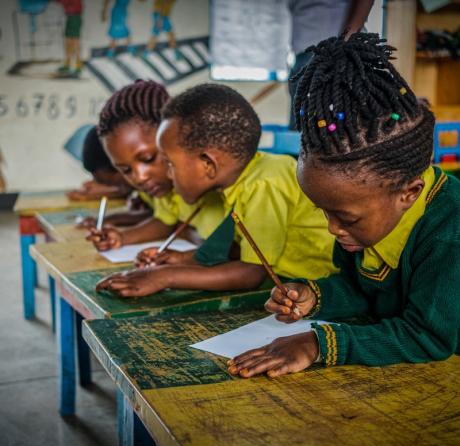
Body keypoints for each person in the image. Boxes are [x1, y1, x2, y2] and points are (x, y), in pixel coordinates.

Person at [227, 33, 460, 379]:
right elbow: (362, 291)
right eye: (324, 211)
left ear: (409, 193)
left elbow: (427, 337)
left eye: (345, 218)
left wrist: (318, 344)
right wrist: (313, 296)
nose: (333, 228)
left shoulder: (448, 233)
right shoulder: (367, 218)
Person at [96, 83, 336, 297]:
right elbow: (240, 248)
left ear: (209, 164)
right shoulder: (233, 184)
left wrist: (166, 276)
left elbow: (250, 273)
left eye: (170, 163)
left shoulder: (262, 183)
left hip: (323, 290)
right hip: (288, 287)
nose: (168, 174)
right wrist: (186, 259)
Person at [86, 80, 225, 251]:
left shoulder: (217, 181)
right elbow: (165, 221)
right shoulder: (166, 186)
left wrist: (188, 239)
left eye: (148, 158)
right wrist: (121, 237)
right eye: (126, 170)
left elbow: (233, 251)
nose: (139, 177)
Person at [287, 0, 374, 129]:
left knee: (332, 128)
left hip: (332, 52)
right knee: (302, 129)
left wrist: (345, 41)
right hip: (302, 57)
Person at [56, 0, 83, 76]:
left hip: (75, 17)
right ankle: (67, 65)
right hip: (71, 17)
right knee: (68, 43)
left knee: (75, 43)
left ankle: (78, 66)